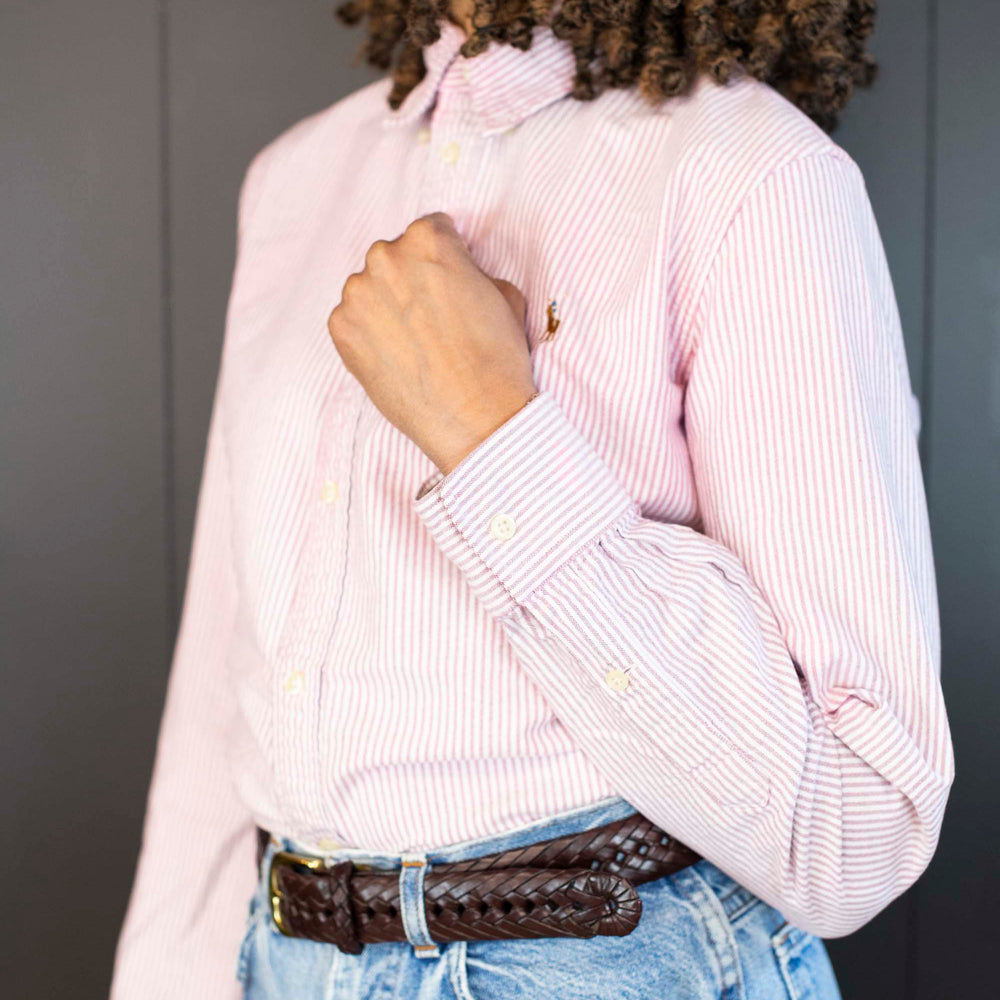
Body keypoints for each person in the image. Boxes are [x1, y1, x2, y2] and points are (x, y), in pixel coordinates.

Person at [110, 0, 955, 997]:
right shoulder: (294, 179)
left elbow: (855, 827)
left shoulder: (753, 172)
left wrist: (492, 438)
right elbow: (223, 680)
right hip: (280, 952)